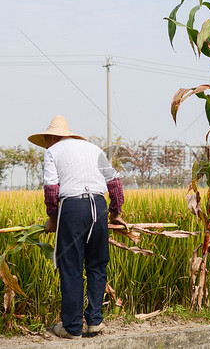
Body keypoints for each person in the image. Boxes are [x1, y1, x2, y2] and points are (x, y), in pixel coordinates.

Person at [28, 115, 126, 339]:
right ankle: (94, 322)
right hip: (98, 207)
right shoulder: (93, 148)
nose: (47, 144)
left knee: (71, 268)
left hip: (72, 208)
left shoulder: (52, 152)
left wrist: (52, 218)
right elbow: (114, 182)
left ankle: (72, 327)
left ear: (52, 137)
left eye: (47, 140)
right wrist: (116, 213)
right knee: (97, 265)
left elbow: (52, 189)